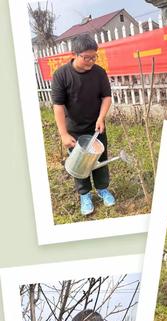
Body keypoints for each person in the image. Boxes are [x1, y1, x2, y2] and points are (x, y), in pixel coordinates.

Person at [51, 34, 115, 216]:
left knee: (100, 160)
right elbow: (58, 106)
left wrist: (101, 117)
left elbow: (106, 97)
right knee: (79, 164)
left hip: (96, 127)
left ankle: (102, 189)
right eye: (87, 58)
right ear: (75, 54)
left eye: (94, 57)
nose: (91, 61)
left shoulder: (99, 73)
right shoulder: (61, 75)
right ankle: (84, 194)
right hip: (75, 130)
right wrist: (63, 134)